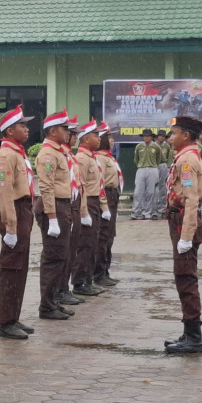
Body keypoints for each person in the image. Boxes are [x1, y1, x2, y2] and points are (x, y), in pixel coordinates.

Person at [163, 115, 202, 354]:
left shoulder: (187, 160)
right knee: (184, 277)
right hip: (180, 221)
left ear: (186, 136)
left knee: (185, 278)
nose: (170, 138)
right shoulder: (186, 156)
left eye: (174, 133)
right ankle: (188, 331)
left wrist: (186, 236)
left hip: (183, 223)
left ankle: (194, 338)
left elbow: (191, 199)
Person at [0, 104, 35, 339]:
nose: (26, 129)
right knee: (11, 268)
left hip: (23, 211)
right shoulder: (6, 155)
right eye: (22, 125)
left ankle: (13, 316)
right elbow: (5, 192)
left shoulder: (17, 151)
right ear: (9, 130)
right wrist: (10, 226)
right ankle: (5, 322)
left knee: (20, 268)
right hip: (15, 212)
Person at [34, 109, 74, 320]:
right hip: (54, 207)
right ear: (52, 131)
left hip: (62, 206)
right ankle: (47, 306)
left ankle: (53, 301)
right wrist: (51, 217)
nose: (67, 132)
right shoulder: (48, 153)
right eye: (64, 129)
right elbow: (47, 186)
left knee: (61, 257)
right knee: (53, 258)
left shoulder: (58, 151)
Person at [73, 119, 108, 298]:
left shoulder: (91, 157)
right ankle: (79, 282)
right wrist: (84, 211)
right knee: (85, 245)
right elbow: (81, 187)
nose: (99, 139)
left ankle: (87, 280)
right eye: (95, 135)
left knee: (92, 244)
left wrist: (104, 207)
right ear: (85, 139)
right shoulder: (81, 158)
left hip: (95, 203)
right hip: (87, 204)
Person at [57, 116, 84, 306]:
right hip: (63, 205)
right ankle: (59, 291)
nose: (73, 137)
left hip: (73, 203)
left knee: (70, 250)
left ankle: (63, 288)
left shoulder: (69, 155)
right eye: (71, 133)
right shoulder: (56, 154)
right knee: (61, 252)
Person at [94, 121, 122, 286]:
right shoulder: (100, 158)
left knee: (109, 236)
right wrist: (105, 206)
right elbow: (99, 185)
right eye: (109, 137)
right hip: (106, 197)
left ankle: (104, 271)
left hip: (113, 197)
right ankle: (99, 273)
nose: (112, 141)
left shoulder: (108, 157)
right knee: (103, 237)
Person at [131, 129, 161, 220]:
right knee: (138, 192)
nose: (146, 138)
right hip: (141, 169)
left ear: (152, 137)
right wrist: (140, 166)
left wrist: (153, 166)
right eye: (144, 136)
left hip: (152, 168)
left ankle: (148, 212)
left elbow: (159, 159)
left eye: (148, 136)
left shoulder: (156, 147)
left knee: (150, 192)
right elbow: (136, 159)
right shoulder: (139, 147)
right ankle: (136, 212)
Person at [154, 129, 173, 218]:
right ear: (157, 136)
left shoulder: (166, 146)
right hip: (154, 166)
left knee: (163, 187)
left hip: (163, 165)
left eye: (163, 136)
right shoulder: (153, 145)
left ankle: (162, 208)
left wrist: (168, 167)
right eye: (160, 136)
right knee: (153, 187)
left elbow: (169, 157)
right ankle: (152, 208)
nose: (161, 137)